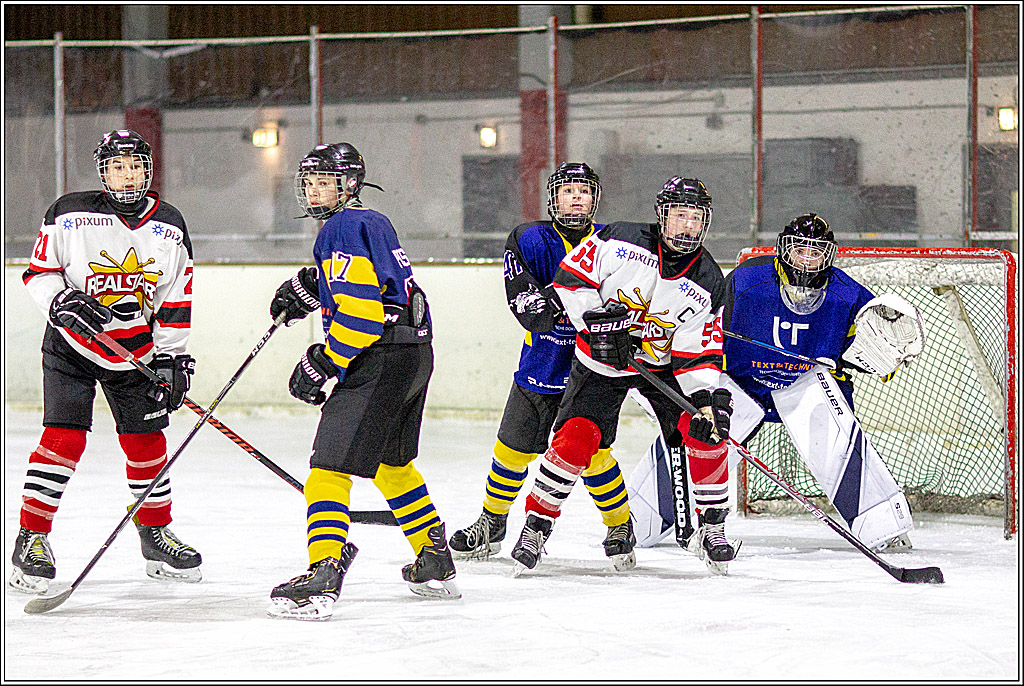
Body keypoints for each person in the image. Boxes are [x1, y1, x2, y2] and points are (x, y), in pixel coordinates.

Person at [627, 213, 922, 554]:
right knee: (701, 429)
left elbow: (877, 353)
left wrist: (880, 360)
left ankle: (883, 522)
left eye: (817, 252)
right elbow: (703, 327)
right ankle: (640, 517)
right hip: (742, 385)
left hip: (807, 386)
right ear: (784, 249)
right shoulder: (746, 280)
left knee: (829, 427)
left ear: (829, 255)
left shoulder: (846, 294)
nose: (808, 260)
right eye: (801, 250)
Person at [266, 142, 460, 621]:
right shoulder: (373, 220)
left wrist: (324, 362)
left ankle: (323, 575)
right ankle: (434, 558)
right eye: (308, 182)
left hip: (380, 357)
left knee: (327, 470)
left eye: (324, 181)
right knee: (392, 465)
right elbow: (382, 285)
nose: (313, 190)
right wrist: (316, 287)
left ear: (348, 184)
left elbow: (363, 312)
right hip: (414, 354)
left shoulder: (340, 227)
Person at [509, 177, 739, 576]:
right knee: (576, 439)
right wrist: (598, 328)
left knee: (708, 429)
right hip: (599, 365)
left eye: (695, 218)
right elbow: (570, 282)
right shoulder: (619, 240)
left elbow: (696, 351)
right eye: (680, 216)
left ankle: (712, 530)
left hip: (661, 368)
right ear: (662, 216)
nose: (687, 226)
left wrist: (704, 399)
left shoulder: (707, 279)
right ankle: (536, 527)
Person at [12, 129, 201, 593]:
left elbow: (176, 296)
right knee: (62, 438)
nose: (127, 174)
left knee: (146, 442)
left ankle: (155, 534)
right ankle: (31, 538)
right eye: (118, 166)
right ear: (103, 172)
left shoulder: (170, 225)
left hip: (135, 353)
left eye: (135, 165)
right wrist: (60, 302)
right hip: (70, 347)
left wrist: (171, 358)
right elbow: (38, 272)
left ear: (148, 170)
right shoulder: (69, 213)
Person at [447, 163, 636, 571]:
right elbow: (527, 305)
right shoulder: (528, 238)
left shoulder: (614, 243)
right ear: (553, 198)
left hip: (594, 371)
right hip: (542, 364)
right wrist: (579, 300)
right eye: (567, 191)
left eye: (583, 192)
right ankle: (492, 524)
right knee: (511, 451)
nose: (576, 198)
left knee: (595, 455)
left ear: (594, 200)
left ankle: (620, 525)